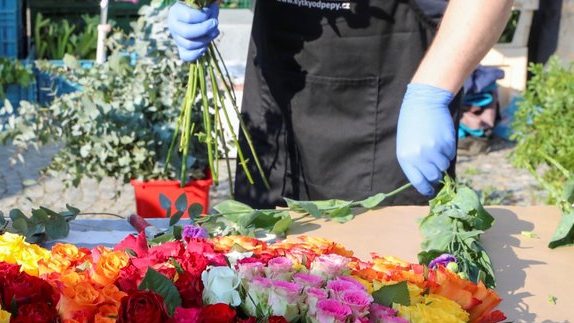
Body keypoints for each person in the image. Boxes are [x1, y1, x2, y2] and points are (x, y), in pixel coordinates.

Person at [166, 0, 514, 207]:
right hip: (276, 99)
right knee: (262, 290)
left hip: (393, 108)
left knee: (389, 302)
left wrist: (433, 90)